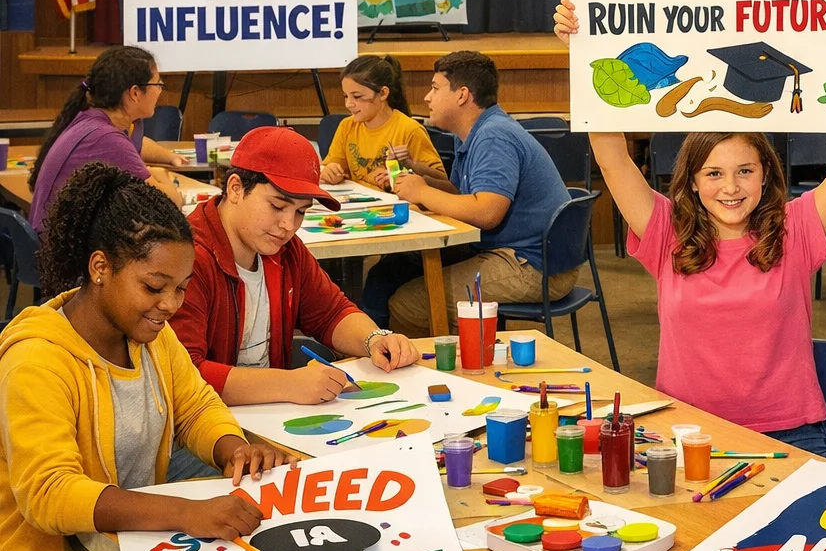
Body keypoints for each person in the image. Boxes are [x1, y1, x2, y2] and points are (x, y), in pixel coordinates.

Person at [552, 0, 826, 460]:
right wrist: (584, 50)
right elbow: (611, 156)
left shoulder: (796, 228)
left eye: (745, 171)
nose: (730, 187)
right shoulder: (666, 232)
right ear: (692, 182)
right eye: (713, 173)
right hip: (686, 433)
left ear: (766, 174)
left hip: (791, 431)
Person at [0, 163, 290, 551]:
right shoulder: (36, 361)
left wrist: (233, 447)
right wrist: (185, 513)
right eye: (154, 286)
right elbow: (49, 494)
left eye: (180, 288)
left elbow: (195, 405)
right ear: (100, 268)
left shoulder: (149, 334)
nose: (170, 305)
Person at [171, 126, 419, 410]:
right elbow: (183, 374)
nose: (289, 225)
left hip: (267, 414)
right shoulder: (187, 258)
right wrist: (289, 384)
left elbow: (331, 313)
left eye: (301, 211)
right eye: (277, 207)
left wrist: (373, 339)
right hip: (205, 419)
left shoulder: (284, 249)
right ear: (236, 188)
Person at [360, 51, 577, 334]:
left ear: (462, 95)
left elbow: (486, 212)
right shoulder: (478, 132)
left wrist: (422, 192)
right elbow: (462, 194)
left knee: (409, 305)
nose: (427, 97)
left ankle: (436, 361)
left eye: (435, 88)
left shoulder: (493, 136)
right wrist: (421, 179)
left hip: (534, 266)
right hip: (520, 253)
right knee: (393, 272)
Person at [28, 45, 181, 234]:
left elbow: (137, 146)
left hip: (52, 240)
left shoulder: (90, 120)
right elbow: (168, 204)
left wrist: (165, 161)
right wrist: (166, 179)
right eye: (157, 84)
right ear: (135, 93)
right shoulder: (107, 138)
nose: (160, 90)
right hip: (59, 247)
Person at [319, 55, 445, 189]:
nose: (348, 104)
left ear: (383, 93)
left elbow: (442, 180)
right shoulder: (347, 126)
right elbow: (331, 167)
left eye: (357, 96)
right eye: (345, 96)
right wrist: (329, 171)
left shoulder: (409, 130)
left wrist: (406, 170)